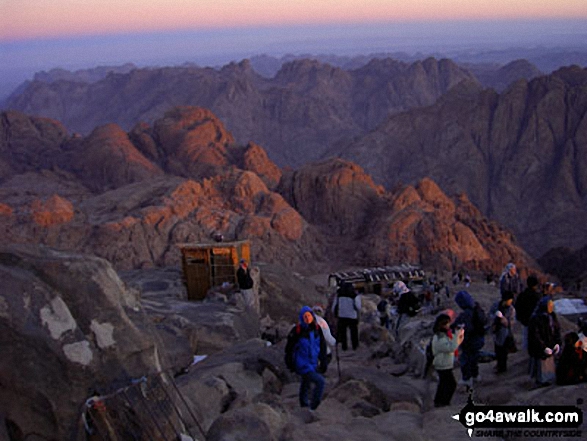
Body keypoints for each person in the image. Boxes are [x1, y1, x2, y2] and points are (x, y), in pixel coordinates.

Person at [284, 306, 327, 410]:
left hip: (313, 363)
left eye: (309, 316)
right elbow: (289, 349)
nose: (308, 319)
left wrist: (323, 361)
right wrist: (290, 364)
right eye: (305, 316)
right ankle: (314, 407)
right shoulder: (297, 331)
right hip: (302, 364)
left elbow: (322, 346)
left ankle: (304, 404)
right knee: (320, 382)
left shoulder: (317, 329)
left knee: (306, 382)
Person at [453, 290, 487, 387]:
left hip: (470, 341)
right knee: (474, 359)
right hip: (479, 339)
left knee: (466, 359)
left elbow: (463, 327)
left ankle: (467, 379)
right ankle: (475, 375)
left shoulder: (466, 314)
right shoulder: (478, 309)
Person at [432, 313, 465, 407]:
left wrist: (459, 336)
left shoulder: (443, 335)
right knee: (450, 384)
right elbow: (451, 347)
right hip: (442, 365)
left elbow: (454, 344)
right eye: (447, 324)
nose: (449, 325)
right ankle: (443, 402)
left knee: (443, 384)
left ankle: (439, 402)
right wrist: (457, 337)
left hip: (445, 364)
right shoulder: (439, 338)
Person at [527, 295, 562, 386]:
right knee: (541, 367)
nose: (551, 307)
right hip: (541, 347)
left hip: (550, 344)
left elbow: (556, 330)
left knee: (549, 367)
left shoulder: (552, 316)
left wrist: (557, 343)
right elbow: (535, 335)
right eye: (549, 305)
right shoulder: (536, 318)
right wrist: (543, 347)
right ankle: (540, 381)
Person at [489, 291, 516, 373]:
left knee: (504, 352)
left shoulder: (511, 309)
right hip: (497, 332)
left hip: (506, 333)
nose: (510, 302)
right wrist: (496, 319)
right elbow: (490, 315)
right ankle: (499, 365)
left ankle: (502, 367)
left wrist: (506, 322)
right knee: (497, 350)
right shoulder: (496, 306)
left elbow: (512, 321)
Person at [515, 274, 542, 350]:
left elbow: (517, 306)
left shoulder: (522, 295)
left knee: (525, 338)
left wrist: (520, 318)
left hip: (524, 321)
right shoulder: (537, 296)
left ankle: (525, 351)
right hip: (534, 322)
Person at [332, 282, 361, 351]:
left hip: (341, 315)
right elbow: (358, 306)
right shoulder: (354, 295)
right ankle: (355, 346)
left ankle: (344, 346)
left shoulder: (339, 294)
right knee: (354, 332)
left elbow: (334, 306)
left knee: (343, 332)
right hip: (352, 316)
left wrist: (335, 314)